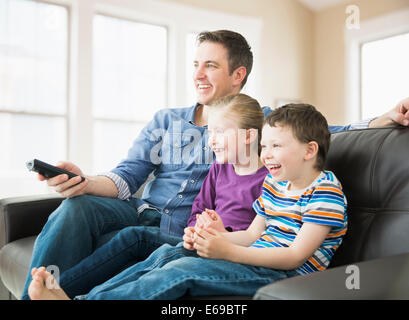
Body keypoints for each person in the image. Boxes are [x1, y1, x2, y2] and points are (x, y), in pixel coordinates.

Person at [21, 28, 409, 300]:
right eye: (195, 64)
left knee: (168, 259)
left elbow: (322, 132)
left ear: (237, 75)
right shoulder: (166, 120)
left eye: (210, 65)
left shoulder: (261, 124)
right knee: (77, 206)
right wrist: (85, 181)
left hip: (187, 232)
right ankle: (49, 292)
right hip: (142, 212)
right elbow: (126, 177)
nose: (198, 75)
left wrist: (382, 119)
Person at [28, 103, 348, 300]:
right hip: (251, 255)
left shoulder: (325, 190)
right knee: (169, 253)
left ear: (310, 151)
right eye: (265, 145)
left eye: (276, 146)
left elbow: (294, 257)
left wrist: (228, 251)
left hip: (284, 275)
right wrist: (213, 238)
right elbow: (252, 234)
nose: (265, 154)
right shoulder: (275, 186)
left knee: (181, 271)